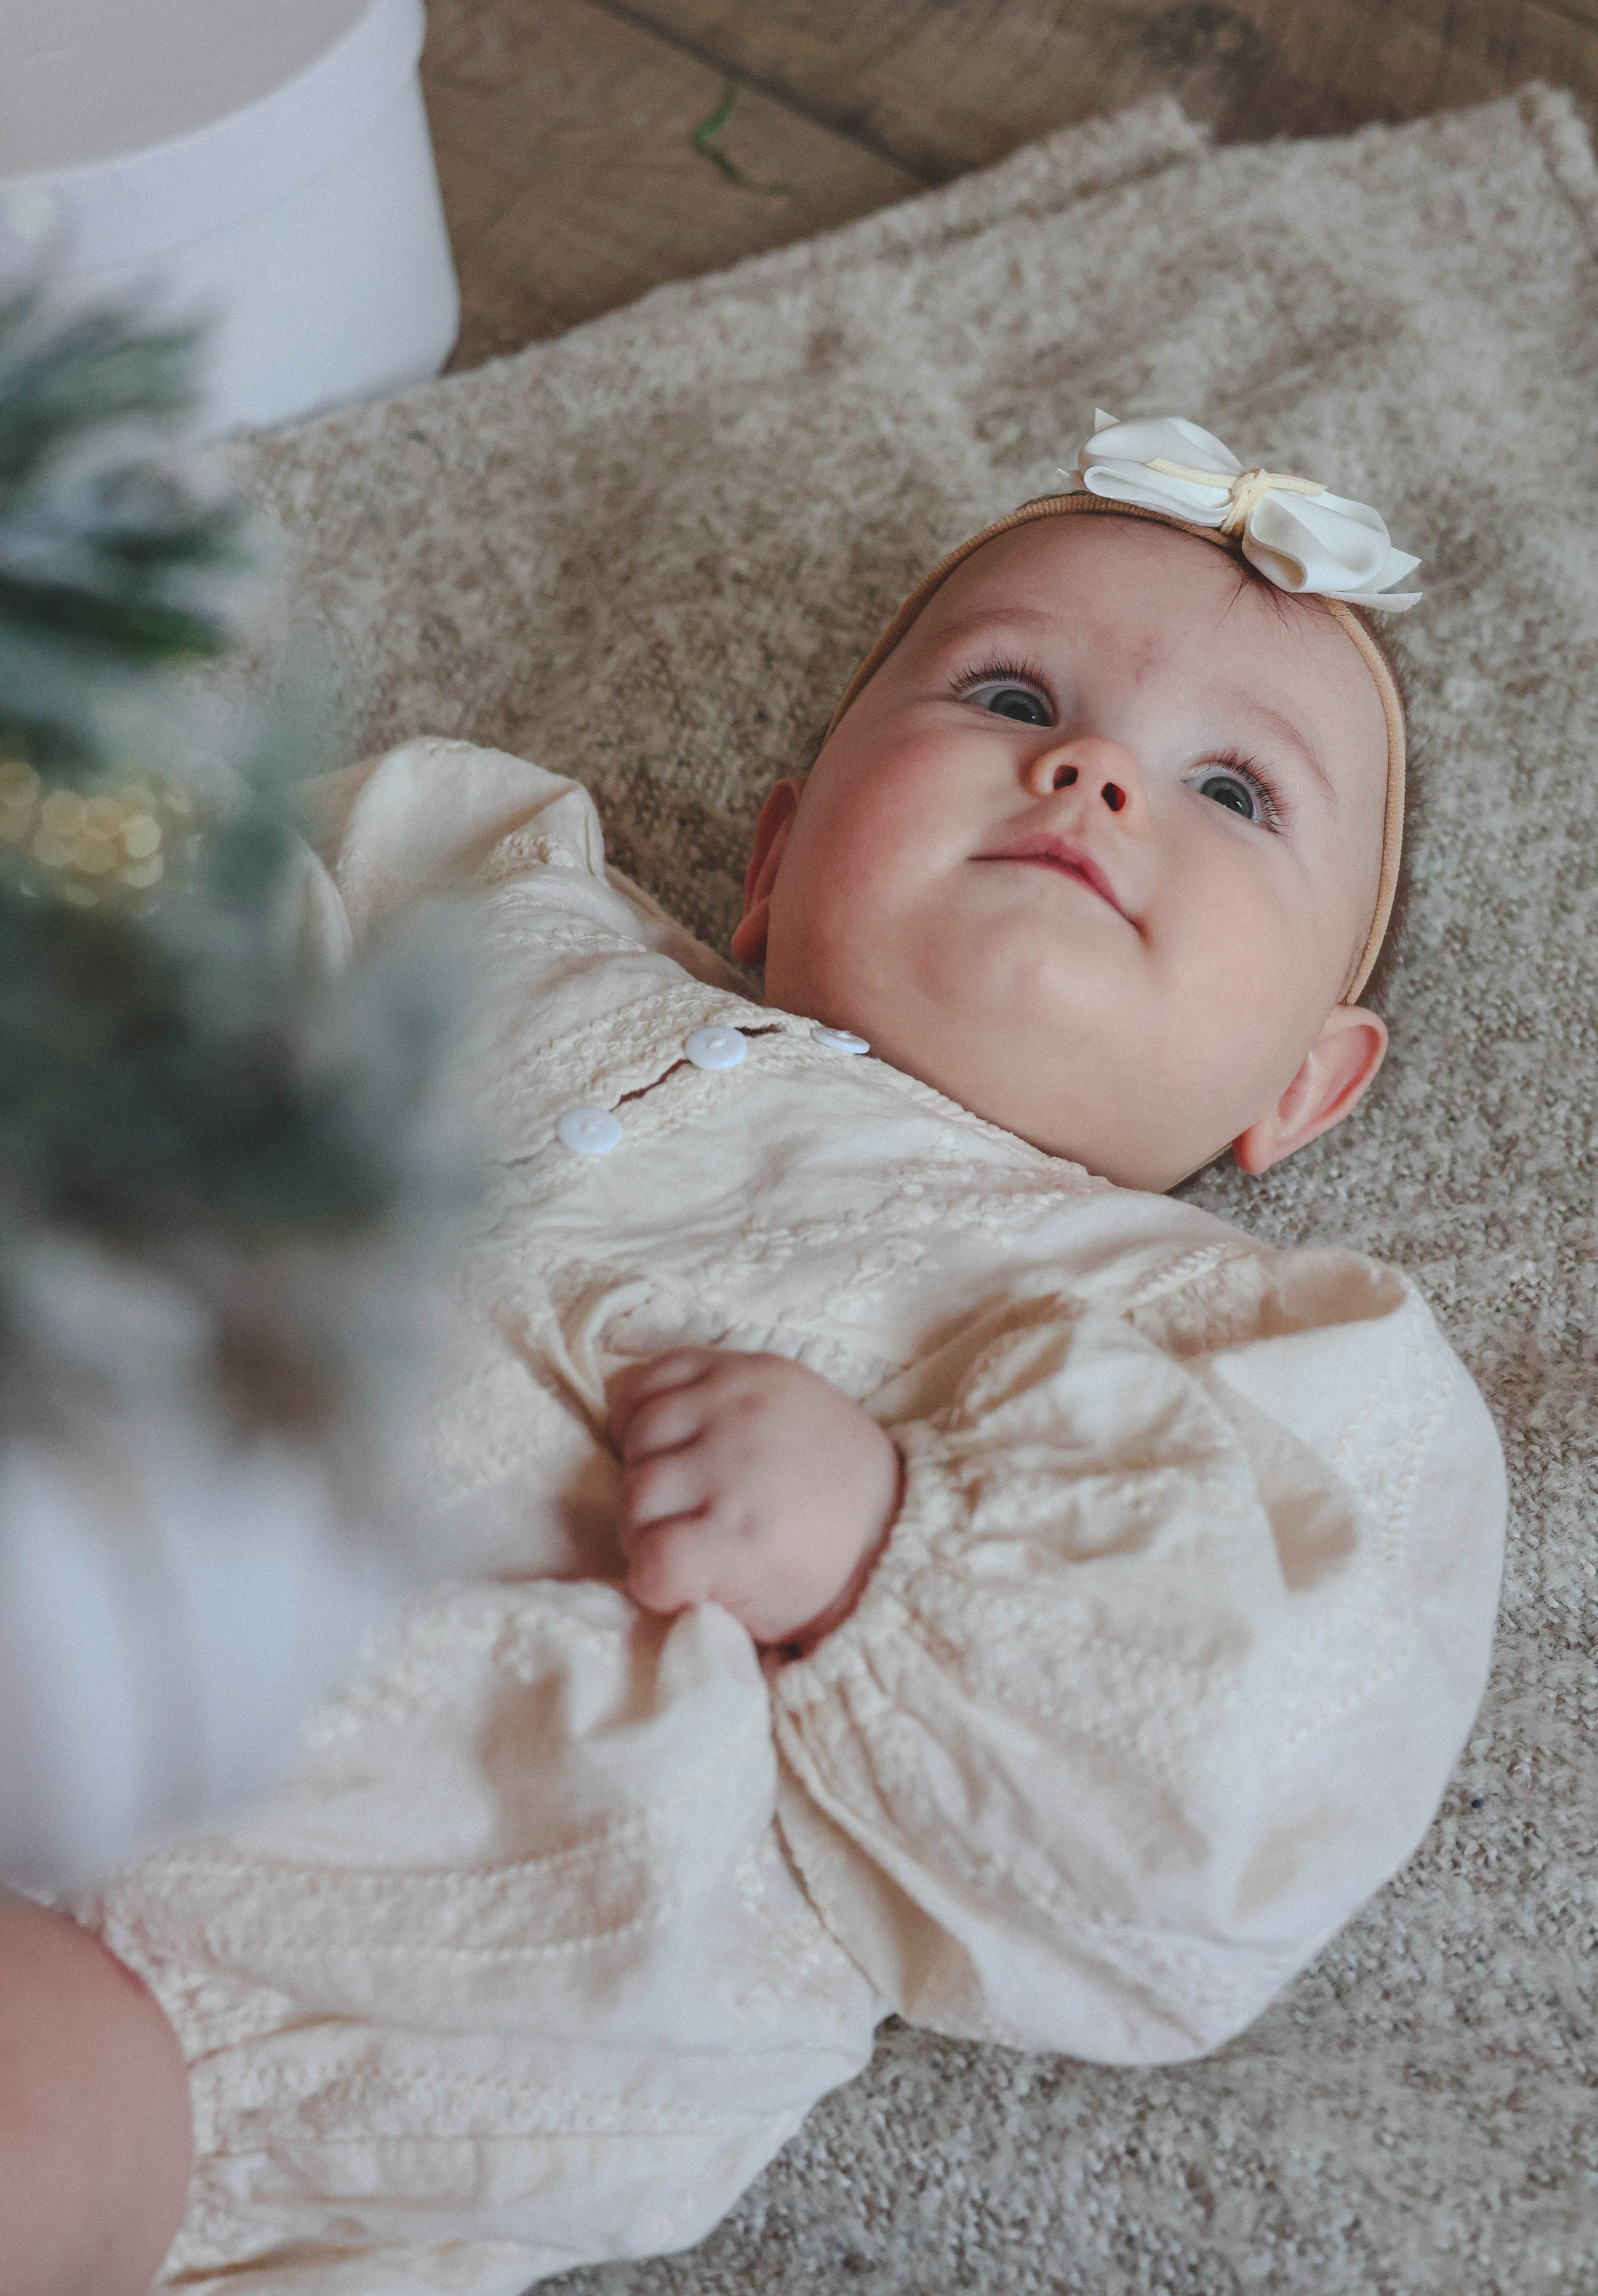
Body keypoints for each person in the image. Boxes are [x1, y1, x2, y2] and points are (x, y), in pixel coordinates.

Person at [7, 416, 1504, 2296]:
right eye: (1014, 691)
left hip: (311, 1891)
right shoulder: (499, 905)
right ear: (775, 856)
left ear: (1303, 1081)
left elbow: (1257, 1756)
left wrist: (898, 1543)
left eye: (1235, 794)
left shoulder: (1233, 1346)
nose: (1096, 771)